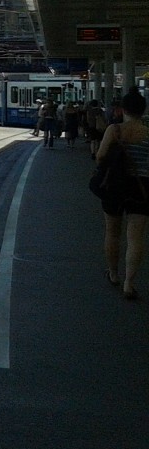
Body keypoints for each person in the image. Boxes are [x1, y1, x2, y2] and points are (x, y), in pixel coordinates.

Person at [96, 90, 149, 299]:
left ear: (123, 109)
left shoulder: (114, 130)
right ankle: (129, 283)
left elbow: (100, 156)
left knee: (112, 231)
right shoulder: (148, 132)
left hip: (114, 186)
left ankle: (114, 274)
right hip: (142, 188)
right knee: (135, 237)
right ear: (143, 110)